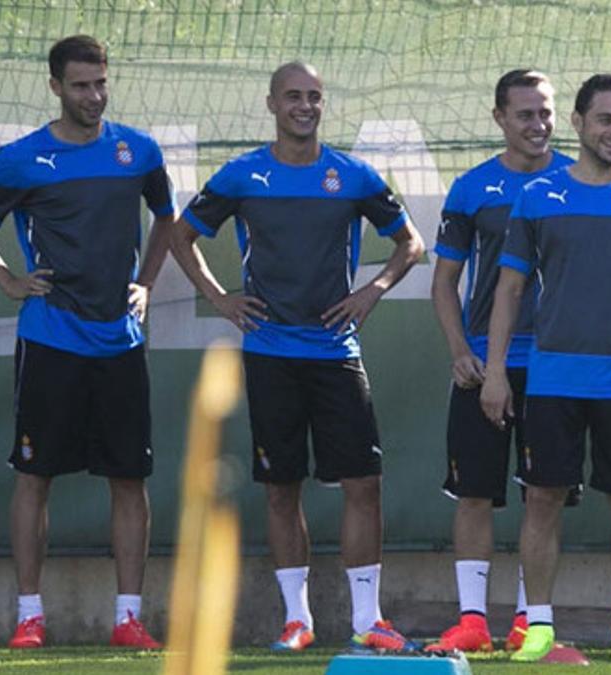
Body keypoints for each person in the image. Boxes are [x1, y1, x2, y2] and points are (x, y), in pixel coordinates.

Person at [168, 61, 425, 653]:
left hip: (336, 353)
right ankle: (297, 621)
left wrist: (373, 289)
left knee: (364, 482)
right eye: (293, 96)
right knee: (281, 485)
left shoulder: (353, 175)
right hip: (269, 353)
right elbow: (181, 237)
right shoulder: (241, 175)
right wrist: (219, 298)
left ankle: (368, 620)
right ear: (271, 104)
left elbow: (410, 242)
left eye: (313, 97)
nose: (304, 106)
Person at [0, 34, 174, 650]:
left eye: (101, 83)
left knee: (130, 479)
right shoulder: (23, 159)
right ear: (55, 87)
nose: (94, 95)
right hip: (50, 339)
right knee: (35, 475)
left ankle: (128, 618)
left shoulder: (139, 151)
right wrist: (6, 280)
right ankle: (29, 615)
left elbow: (168, 217)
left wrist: (147, 284)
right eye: (80, 85)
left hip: (121, 343)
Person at [479, 73, 611, 664]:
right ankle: (538, 625)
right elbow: (509, 290)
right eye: (605, 120)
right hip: (552, 380)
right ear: (577, 123)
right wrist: (495, 371)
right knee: (542, 500)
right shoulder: (538, 197)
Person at [426, 69, 574, 653]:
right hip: (485, 364)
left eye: (545, 113)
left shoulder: (577, 181)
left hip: (557, 368)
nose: (537, 125)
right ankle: (472, 622)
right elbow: (445, 283)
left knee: (545, 493)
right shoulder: (472, 188)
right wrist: (463, 351)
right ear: (499, 119)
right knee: (475, 492)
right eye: (524, 114)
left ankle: (527, 621)